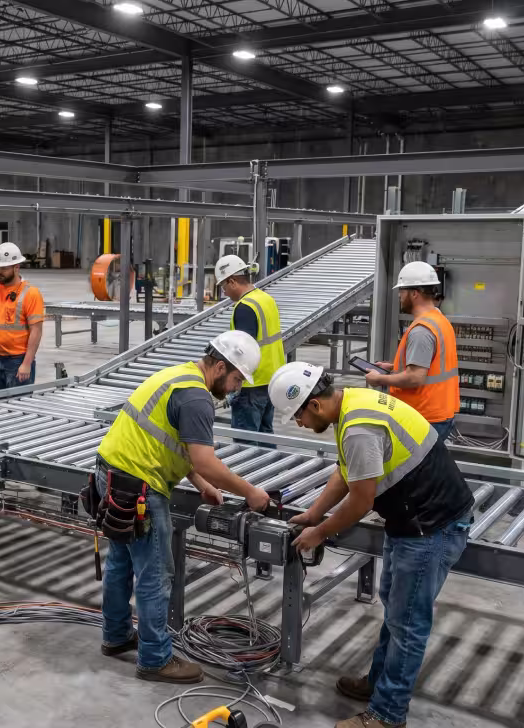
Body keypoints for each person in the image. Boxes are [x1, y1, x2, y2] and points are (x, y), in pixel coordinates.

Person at [270, 362, 474, 728]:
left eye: (296, 417)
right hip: (411, 520)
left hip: (431, 526)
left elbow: (362, 500)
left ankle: (387, 715)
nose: (298, 425)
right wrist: (314, 514)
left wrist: (320, 533)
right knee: (397, 610)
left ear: (313, 405)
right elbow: (345, 472)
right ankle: (379, 685)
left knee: (408, 622)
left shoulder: (359, 427)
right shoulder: (352, 404)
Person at [95, 330, 272, 684]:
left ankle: (115, 636)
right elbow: (205, 459)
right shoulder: (196, 398)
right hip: (141, 487)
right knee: (155, 575)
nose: (236, 387)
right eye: (236, 378)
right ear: (220, 367)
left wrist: (202, 486)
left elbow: (170, 440)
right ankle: (155, 658)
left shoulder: (177, 376)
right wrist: (250, 491)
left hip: (110, 474)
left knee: (121, 562)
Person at [362, 261, 459, 442]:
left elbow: (415, 377)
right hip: (440, 413)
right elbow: (431, 366)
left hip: (424, 417)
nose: (399, 296)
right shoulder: (439, 320)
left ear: (415, 294)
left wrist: (379, 379)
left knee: (410, 470)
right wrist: (392, 368)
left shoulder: (422, 329)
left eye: (402, 291)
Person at [214, 254, 285, 437]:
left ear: (232, 281)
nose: (224, 293)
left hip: (251, 385)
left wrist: (231, 385)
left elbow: (242, 352)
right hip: (271, 380)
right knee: (265, 437)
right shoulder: (265, 298)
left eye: (223, 286)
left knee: (245, 442)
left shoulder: (245, 307)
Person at [0, 242, 45, 391]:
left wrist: (26, 364)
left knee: (19, 409)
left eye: (4, 268)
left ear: (16, 267)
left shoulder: (31, 293)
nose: (0, 272)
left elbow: (36, 331)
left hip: (17, 362)